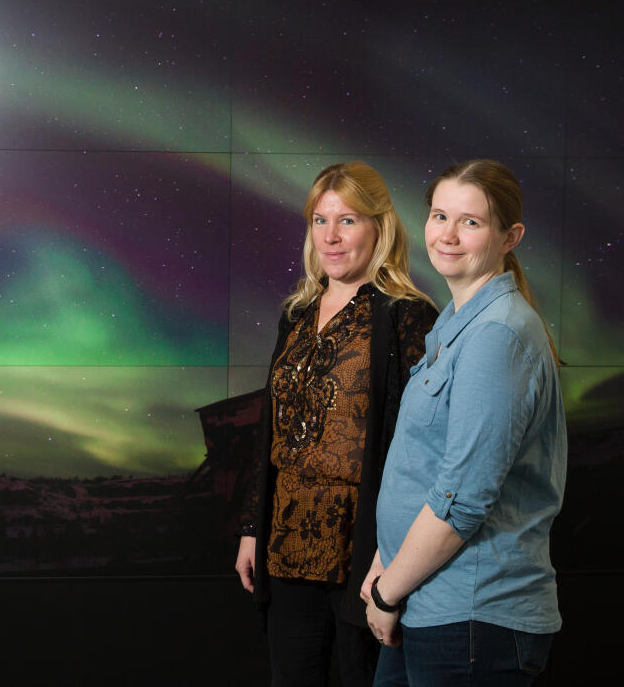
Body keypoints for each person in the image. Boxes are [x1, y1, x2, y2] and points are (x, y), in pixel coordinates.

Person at [362, 159, 566, 686]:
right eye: (438, 216)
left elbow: (462, 497)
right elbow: (424, 466)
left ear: (509, 237)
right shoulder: (455, 323)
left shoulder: (496, 334)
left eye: (470, 222)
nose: (447, 235)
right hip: (425, 598)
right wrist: (387, 565)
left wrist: (388, 590)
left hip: (472, 617)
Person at [235, 161, 438, 687]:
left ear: (379, 227)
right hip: (287, 541)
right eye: (319, 221)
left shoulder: (406, 315)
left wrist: (394, 557)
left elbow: (417, 446)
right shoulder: (296, 313)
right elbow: (272, 428)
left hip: (362, 545)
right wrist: (253, 528)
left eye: (347, 221)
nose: (330, 236)